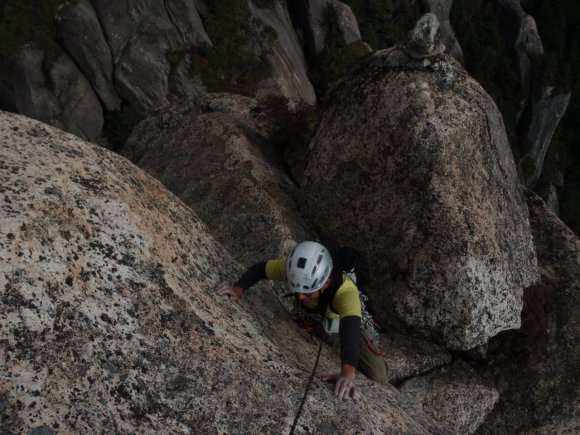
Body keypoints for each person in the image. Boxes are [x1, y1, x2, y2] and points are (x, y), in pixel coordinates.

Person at [214, 240, 387, 401]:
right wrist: (237, 289)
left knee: (379, 375)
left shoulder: (346, 293)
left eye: (308, 292)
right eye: (296, 290)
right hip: (320, 318)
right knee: (328, 333)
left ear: (325, 284)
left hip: (348, 319)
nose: (300, 296)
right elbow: (261, 269)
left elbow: (350, 330)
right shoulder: (296, 271)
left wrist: (347, 373)